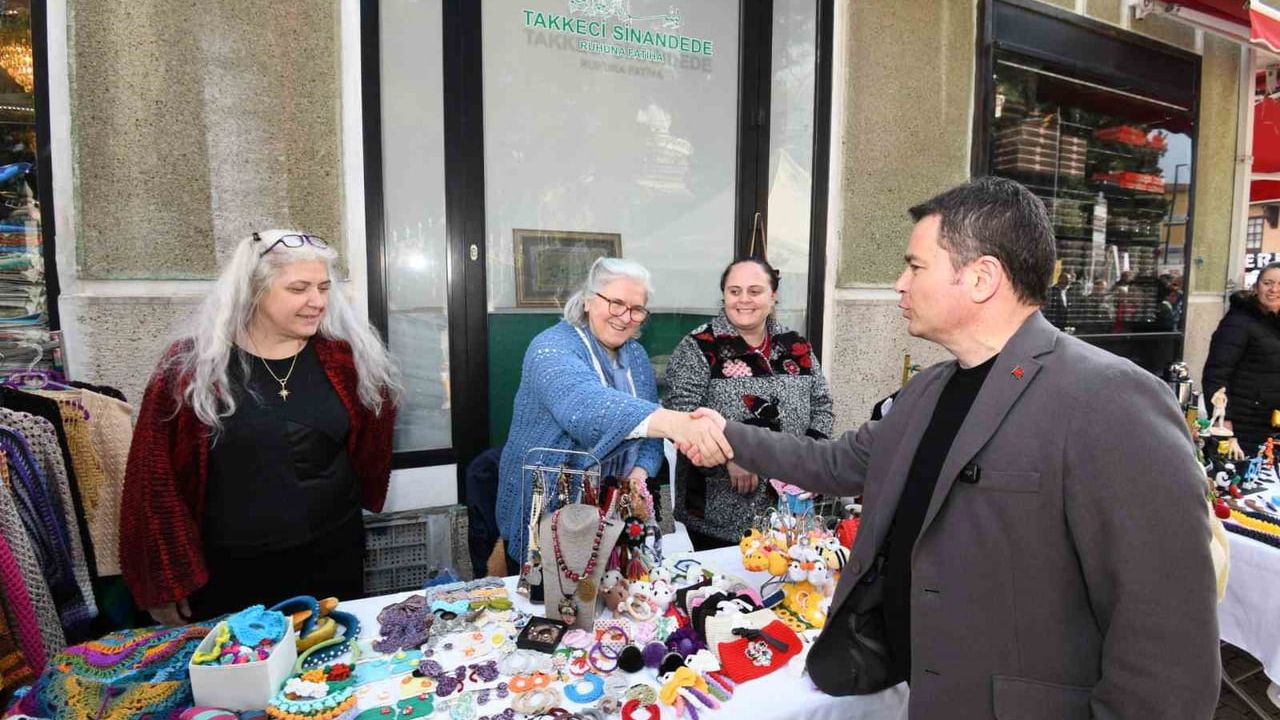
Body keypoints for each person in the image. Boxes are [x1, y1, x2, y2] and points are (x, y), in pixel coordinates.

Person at [681, 178, 1219, 718]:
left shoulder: (1109, 398)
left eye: (915, 267)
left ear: (981, 277)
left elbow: (1166, 641)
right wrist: (726, 433)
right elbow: (836, 463)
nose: (898, 284)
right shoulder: (929, 390)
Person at [120, 230, 401, 624]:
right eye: (299, 288)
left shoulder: (346, 360)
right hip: (232, 573)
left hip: (334, 558)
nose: (317, 301)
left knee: (330, 675)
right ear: (253, 290)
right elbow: (153, 483)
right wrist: (165, 583)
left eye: (323, 287)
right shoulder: (191, 369)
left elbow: (369, 441)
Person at [492, 257, 730, 576]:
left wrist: (639, 474)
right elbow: (586, 406)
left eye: (636, 309)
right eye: (616, 302)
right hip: (550, 505)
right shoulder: (550, 348)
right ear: (589, 300)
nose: (625, 317)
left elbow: (648, 438)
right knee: (554, 605)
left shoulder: (636, 355)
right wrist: (678, 423)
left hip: (613, 513)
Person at [663, 257, 833, 549]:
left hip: (791, 511)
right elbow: (682, 415)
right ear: (724, 296)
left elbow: (822, 405)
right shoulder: (699, 346)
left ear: (773, 296)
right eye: (734, 291)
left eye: (754, 291)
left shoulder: (796, 346)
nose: (744, 300)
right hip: (719, 515)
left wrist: (808, 462)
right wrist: (732, 455)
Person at [1202, 261, 1280, 458]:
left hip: (1271, 425)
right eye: (1267, 283)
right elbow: (1216, 373)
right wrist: (1224, 423)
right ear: (1256, 287)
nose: (1274, 290)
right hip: (1243, 426)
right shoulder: (1238, 321)